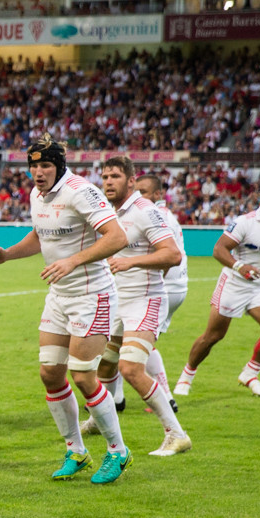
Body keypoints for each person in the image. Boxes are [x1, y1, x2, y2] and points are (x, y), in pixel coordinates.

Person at [0, 135, 132, 484]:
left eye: (45, 165)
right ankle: (76, 451)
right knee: (50, 373)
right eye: (33, 166)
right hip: (59, 295)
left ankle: (118, 451)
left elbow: (117, 237)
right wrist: (7, 254)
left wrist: (73, 260)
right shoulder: (37, 194)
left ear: (59, 166)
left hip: (91, 294)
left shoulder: (81, 191)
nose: (38, 172)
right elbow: (40, 236)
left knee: (82, 375)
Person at [80, 157, 189, 457]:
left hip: (145, 301)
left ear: (131, 180)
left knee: (130, 368)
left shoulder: (145, 212)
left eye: (115, 176)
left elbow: (172, 255)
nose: (108, 182)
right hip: (117, 301)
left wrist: (131, 261)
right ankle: (96, 419)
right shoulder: (109, 213)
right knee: (102, 364)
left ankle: (176, 434)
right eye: (104, 176)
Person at [174, 184, 260, 398]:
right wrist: (240, 267)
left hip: (259, 287)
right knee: (214, 336)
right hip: (233, 284)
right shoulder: (245, 222)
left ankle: (250, 373)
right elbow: (219, 249)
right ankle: (187, 375)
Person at [135, 175, 187, 408]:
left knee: (137, 341)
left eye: (144, 192)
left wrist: (155, 284)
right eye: (137, 192)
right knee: (125, 340)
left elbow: (166, 254)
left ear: (158, 195)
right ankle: (115, 399)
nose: (139, 197)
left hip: (164, 286)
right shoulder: (166, 214)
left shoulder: (155, 215)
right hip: (176, 286)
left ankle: (165, 397)